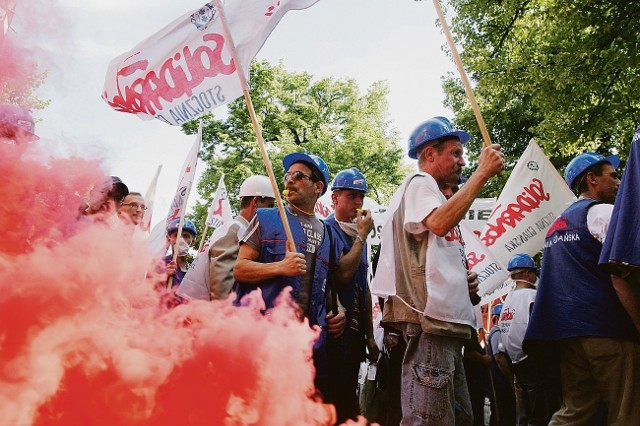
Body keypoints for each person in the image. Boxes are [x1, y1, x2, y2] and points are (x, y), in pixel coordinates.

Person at [378, 116, 504, 425]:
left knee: (458, 417)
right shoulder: (421, 183)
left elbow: (434, 247)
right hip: (430, 323)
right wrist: (483, 172)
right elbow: (436, 223)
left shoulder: (433, 192)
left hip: (442, 326)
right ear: (430, 154)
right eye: (456, 153)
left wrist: (464, 281)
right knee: (428, 419)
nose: (463, 161)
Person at [524, 152, 640, 425]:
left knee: (575, 412)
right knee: (627, 411)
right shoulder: (605, 213)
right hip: (608, 330)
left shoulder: (556, 226)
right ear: (592, 179)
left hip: (567, 336)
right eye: (613, 176)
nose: (620, 182)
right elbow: (622, 270)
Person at [233, 152, 345, 396]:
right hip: (263, 341)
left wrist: (340, 310)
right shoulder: (265, 218)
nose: (289, 180)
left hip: (308, 347)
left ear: (318, 187)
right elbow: (240, 269)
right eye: (287, 175)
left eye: (298, 176)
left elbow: (329, 285)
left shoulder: (329, 234)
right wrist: (279, 267)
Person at [324, 167, 378, 423]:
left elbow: (362, 287)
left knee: (348, 395)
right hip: (334, 334)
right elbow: (342, 275)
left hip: (355, 336)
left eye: (361, 197)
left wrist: (369, 336)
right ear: (334, 198)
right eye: (351, 196)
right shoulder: (327, 230)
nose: (358, 203)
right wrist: (361, 236)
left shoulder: (360, 238)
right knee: (331, 399)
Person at [177, 175, 276, 301]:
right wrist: (225, 316)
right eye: (270, 205)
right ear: (255, 202)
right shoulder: (236, 230)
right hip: (210, 313)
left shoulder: (232, 228)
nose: (271, 212)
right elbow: (221, 287)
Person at [499, 254, 560, 425]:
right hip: (536, 361)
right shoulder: (531, 297)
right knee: (544, 411)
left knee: (528, 411)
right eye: (534, 273)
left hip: (517, 361)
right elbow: (544, 330)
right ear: (527, 274)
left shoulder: (508, 301)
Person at [486, 303, 517, 426]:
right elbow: (499, 357)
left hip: (500, 381)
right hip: (500, 381)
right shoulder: (497, 333)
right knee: (502, 412)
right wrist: (510, 379)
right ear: (496, 318)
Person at [163, 218, 197, 290]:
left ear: (193, 241)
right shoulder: (159, 264)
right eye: (176, 235)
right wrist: (163, 276)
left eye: (186, 236)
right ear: (169, 239)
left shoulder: (194, 271)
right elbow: (144, 292)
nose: (180, 240)